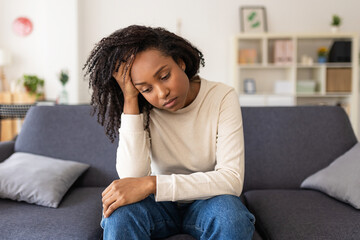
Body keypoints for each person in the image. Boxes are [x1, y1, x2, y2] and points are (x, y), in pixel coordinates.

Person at [83, 25, 255, 240]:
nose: (162, 93)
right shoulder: (142, 106)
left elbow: (231, 180)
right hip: (158, 205)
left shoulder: (221, 96)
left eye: (164, 76)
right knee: (119, 213)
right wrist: (130, 99)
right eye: (146, 89)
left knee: (230, 216)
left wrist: (152, 184)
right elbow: (131, 177)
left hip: (209, 200)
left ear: (180, 62)